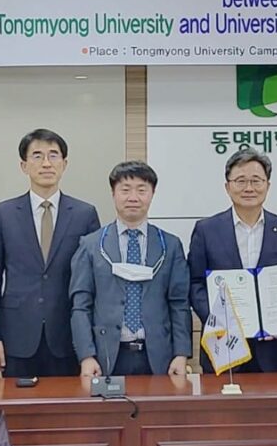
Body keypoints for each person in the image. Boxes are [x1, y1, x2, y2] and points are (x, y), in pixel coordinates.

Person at [0, 129, 101, 377]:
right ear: (24, 165)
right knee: (17, 401)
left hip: (68, 336)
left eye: (53, 155)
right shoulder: (2, 214)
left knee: (70, 401)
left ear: (64, 164)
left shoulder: (85, 214)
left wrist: (89, 343)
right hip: (17, 337)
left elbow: (94, 283)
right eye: (37, 156)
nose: (46, 163)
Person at [69, 161, 191, 377]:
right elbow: (81, 306)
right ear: (113, 194)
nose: (133, 198)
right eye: (125, 190)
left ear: (152, 194)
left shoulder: (170, 245)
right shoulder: (91, 245)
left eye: (141, 190)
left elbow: (179, 303)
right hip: (106, 356)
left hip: (158, 357)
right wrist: (86, 356)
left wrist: (181, 354)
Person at [188, 150, 277, 373]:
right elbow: (195, 283)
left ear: (267, 185)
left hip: (271, 350)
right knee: (220, 398)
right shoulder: (206, 230)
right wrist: (218, 320)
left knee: (270, 397)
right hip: (222, 344)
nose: (249, 188)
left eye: (256, 181)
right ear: (227, 186)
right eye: (240, 181)